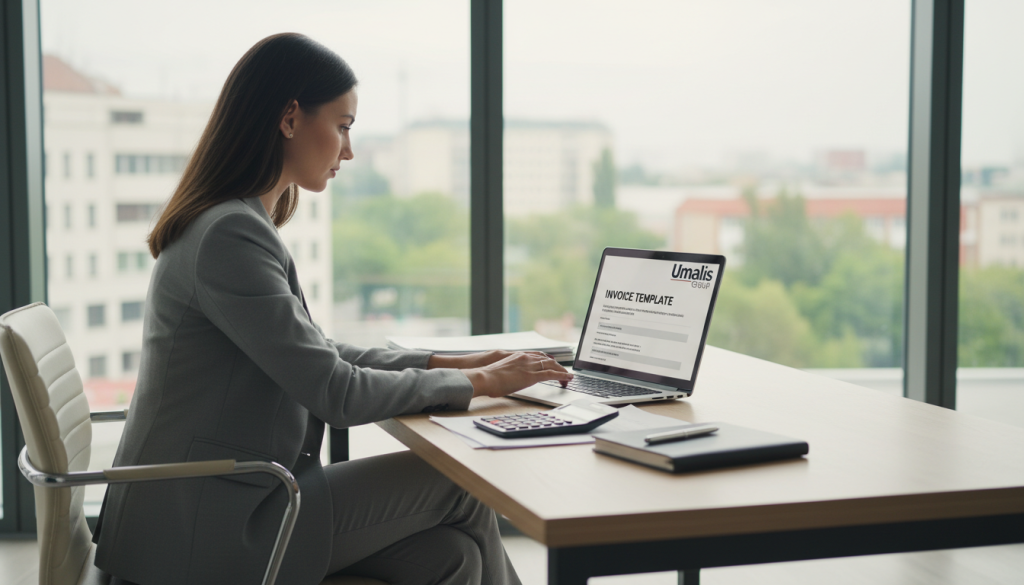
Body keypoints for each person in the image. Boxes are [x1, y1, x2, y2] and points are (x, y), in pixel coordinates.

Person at [92, 33, 572, 585]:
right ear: (290, 118)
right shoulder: (229, 235)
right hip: (207, 527)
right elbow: (335, 390)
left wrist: (451, 364)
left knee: (452, 558)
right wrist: (482, 382)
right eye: (342, 126)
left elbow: (319, 352)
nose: (348, 150)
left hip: (225, 502)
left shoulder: (236, 222)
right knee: (456, 484)